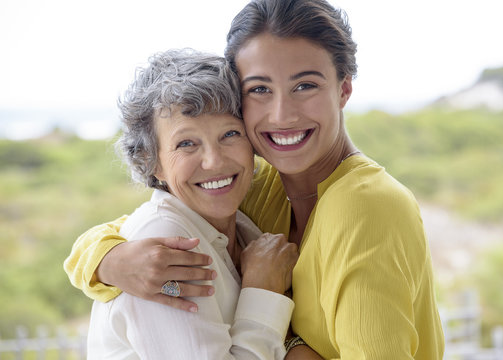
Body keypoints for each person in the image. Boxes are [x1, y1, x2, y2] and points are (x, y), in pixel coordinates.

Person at [65, 0, 445, 358]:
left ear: (344, 88)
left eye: (305, 85)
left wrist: (289, 341)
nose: (281, 115)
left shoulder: (368, 206)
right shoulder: (257, 185)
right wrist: (105, 259)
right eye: (260, 89)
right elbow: (154, 222)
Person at [83, 48, 299, 359]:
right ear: (152, 161)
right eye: (186, 143)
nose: (214, 161)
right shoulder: (163, 242)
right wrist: (262, 291)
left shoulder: (241, 225)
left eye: (230, 134)